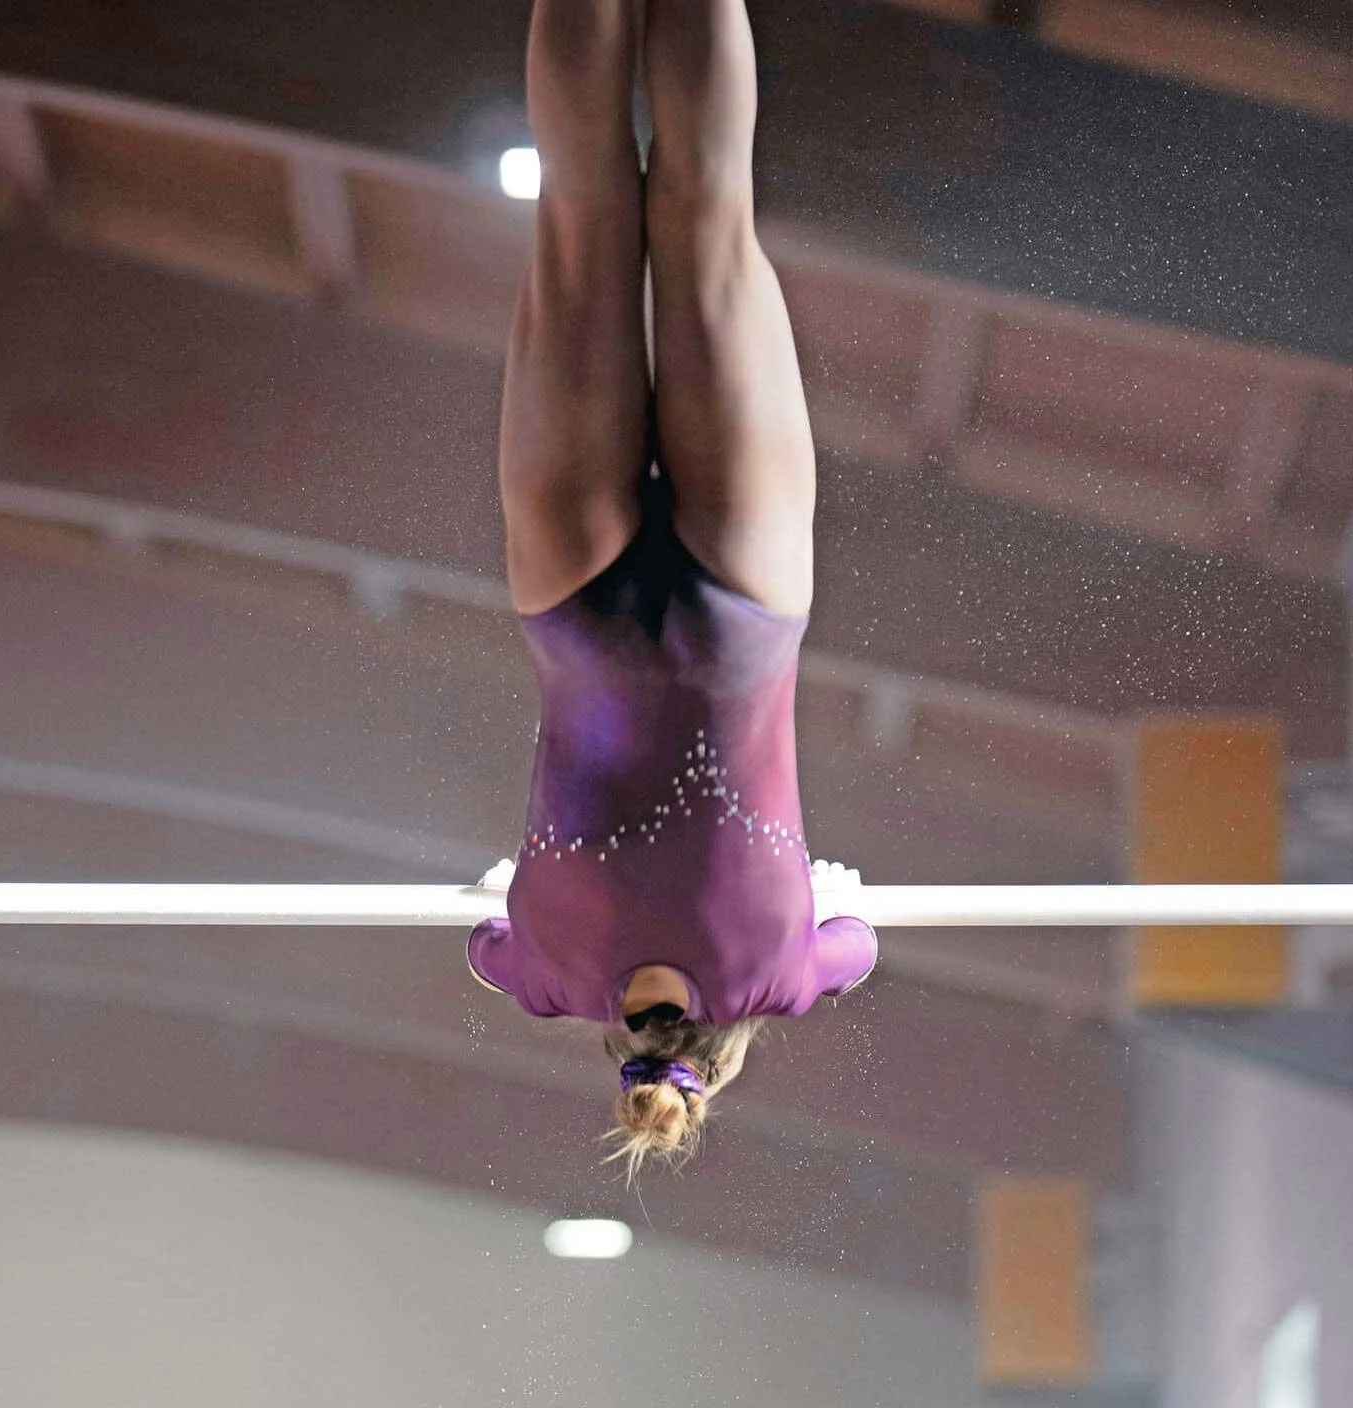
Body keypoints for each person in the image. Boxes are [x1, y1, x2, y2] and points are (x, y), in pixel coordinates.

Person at [468, 0, 877, 1176]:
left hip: (740, 603)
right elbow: (482, 948)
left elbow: (857, 939)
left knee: (705, 208)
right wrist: (512, 899)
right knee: (581, 205)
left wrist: (821, 900)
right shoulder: (543, 978)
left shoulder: (782, 975)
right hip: (575, 598)